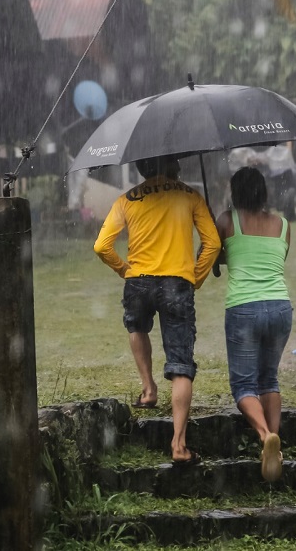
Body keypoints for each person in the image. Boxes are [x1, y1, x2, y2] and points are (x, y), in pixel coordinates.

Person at [94, 155, 221, 465]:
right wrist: (196, 277)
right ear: (172, 165)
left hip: (138, 281)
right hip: (177, 282)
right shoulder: (190, 195)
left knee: (136, 327)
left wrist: (125, 270)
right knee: (180, 364)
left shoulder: (127, 199)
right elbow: (213, 243)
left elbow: (101, 245)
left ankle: (148, 388)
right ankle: (179, 445)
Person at [215, 166, 292, 482]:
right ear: (264, 192)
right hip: (280, 307)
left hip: (244, 308)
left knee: (243, 384)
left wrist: (222, 258)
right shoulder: (283, 224)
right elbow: (274, 260)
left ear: (235, 193)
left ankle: (263, 436)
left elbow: (213, 255)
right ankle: (275, 442)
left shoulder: (225, 220)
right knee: (268, 379)